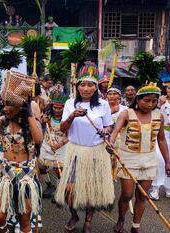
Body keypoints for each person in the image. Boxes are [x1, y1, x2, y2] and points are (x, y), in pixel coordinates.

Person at [55, 63, 115, 233]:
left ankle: (88, 220)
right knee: (69, 190)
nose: (86, 88)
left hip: (96, 151)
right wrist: (73, 115)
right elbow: (63, 128)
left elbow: (109, 126)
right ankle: (74, 215)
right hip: (75, 151)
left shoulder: (103, 105)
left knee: (91, 189)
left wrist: (106, 130)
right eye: (83, 84)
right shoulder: (69, 103)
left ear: (96, 87)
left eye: (90, 85)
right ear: (77, 86)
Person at [109, 83, 170, 233]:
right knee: (127, 194)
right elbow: (115, 131)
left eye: (154, 101)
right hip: (128, 159)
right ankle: (121, 218)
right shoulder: (126, 114)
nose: (150, 104)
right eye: (146, 100)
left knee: (142, 196)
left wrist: (168, 161)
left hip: (149, 160)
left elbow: (161, 140)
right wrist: (110, 143)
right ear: (138, 99)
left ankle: (136, 226)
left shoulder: (159, 116)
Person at [0, 97, 43, 233]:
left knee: (24, 220)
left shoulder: (29, 122)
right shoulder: (3, 122)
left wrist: (29, 115)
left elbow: (39, 139)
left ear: (21, 106)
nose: (6, 109)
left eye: (11, 105)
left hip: (26, 177)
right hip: (6, 176)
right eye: (5, 105)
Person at [39, 94, 69, 199]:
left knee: (58, 171)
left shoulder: (67, 120)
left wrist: (59, 144)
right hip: (47, 145)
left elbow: (71, 136)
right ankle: (49, 185)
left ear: (64, 108)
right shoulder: (48, 117)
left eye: (60, 108)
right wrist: (42, 122)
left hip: (61, 148)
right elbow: (41, 127)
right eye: (55, 107)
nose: (57, 110)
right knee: (41, 166)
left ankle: (58, 191)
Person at [149, 85, 170, 200]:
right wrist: (158, 105)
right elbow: (150, 113)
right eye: (169, 88)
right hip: (161, 135)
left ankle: (168, 188)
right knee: (160, 160)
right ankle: (155, 188)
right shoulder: (159, 100)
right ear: (166, 89)